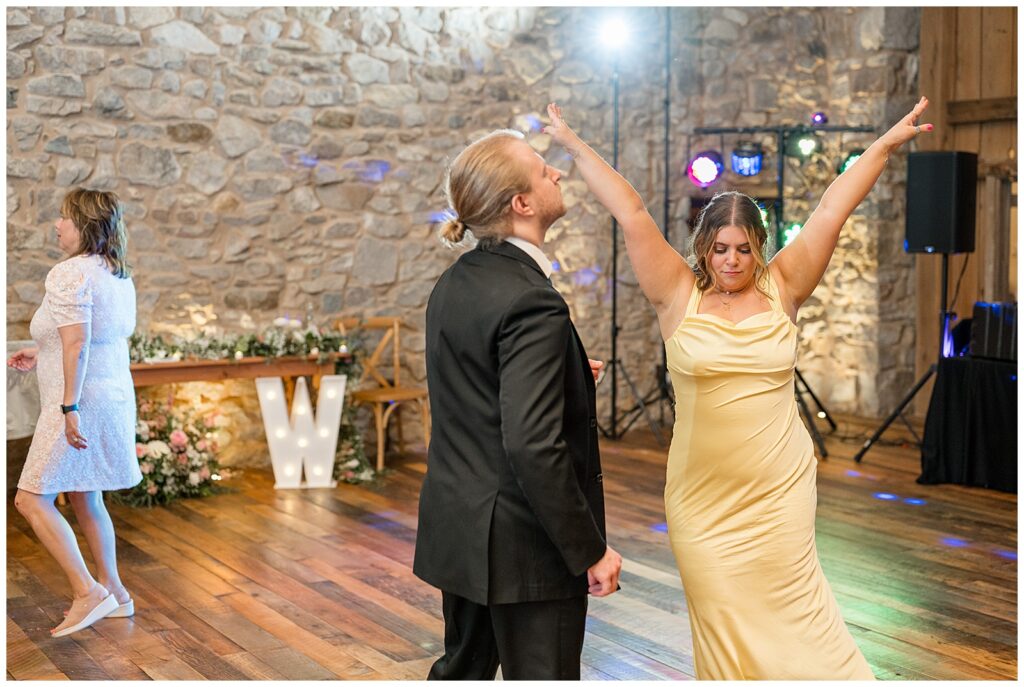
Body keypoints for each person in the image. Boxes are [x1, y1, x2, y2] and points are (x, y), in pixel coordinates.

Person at [542, 98, 932, 679]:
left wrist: (882, 147)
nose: (731, 261)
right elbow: (631, 210)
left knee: (801, 617)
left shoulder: (785, 286)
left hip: (780, 492)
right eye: (720, 249)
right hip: (703, 501)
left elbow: (832, 208)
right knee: (724, 620)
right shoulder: (677, 294)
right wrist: (572, 145)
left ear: (759, 246)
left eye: (743, 249)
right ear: (703, 247)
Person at [413, 128, 623, 680]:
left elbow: (477, 392)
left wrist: (569, 375)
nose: (556, 172)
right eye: (542, 168)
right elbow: (532, 444)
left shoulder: (454, 282)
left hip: (464, 533)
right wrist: (589, 550)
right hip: (526, 547)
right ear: (522, 203)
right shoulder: (532, 299)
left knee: (463, 673)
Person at [8, 188, 141, 638]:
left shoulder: (69, 274)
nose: (57, 225)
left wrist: (69, 407)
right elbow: (91, 338)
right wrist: (39, 349)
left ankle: (88, 591)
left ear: (84, 224)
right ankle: (117, 592)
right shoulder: (116, 273)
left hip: (78, 401)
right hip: (112, 396)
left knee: (30, 498)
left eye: (63, 218)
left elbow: (79, 343)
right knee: (86, 493)